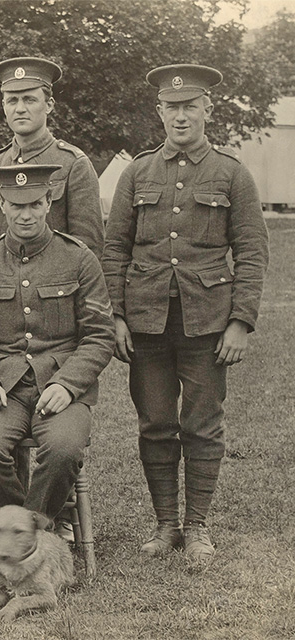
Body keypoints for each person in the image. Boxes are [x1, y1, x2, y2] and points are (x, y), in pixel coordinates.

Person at [101, 64, 269, 564]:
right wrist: (116, 316)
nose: (180, 115)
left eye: (189, 106)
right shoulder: (138, 172)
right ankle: (165, 524)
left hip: (208, 322)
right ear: (159, 111)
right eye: (171, 107)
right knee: (154, 423)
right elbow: (115, 249)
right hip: (146, 320)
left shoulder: (231, 173)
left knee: (201, 425)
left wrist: (240, 321)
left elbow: (253, 250)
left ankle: (197, 527)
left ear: (206, 110)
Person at [0, 164, 114, 528]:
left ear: (49, 202)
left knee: (63, 451)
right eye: (16, 206)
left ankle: (28, 526)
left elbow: (100, 334)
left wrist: (67, 384)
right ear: (2, 206)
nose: (26, 215)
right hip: (1, 386)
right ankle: (34, 527)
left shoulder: (79, 258)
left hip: (60, 386)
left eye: (34, 205)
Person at [0, 57, 103, 260]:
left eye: (29, 99)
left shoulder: (73, 164)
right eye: (12, 100)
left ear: (49, 105)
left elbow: (88, 248)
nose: (20, 108)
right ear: (3, 106)